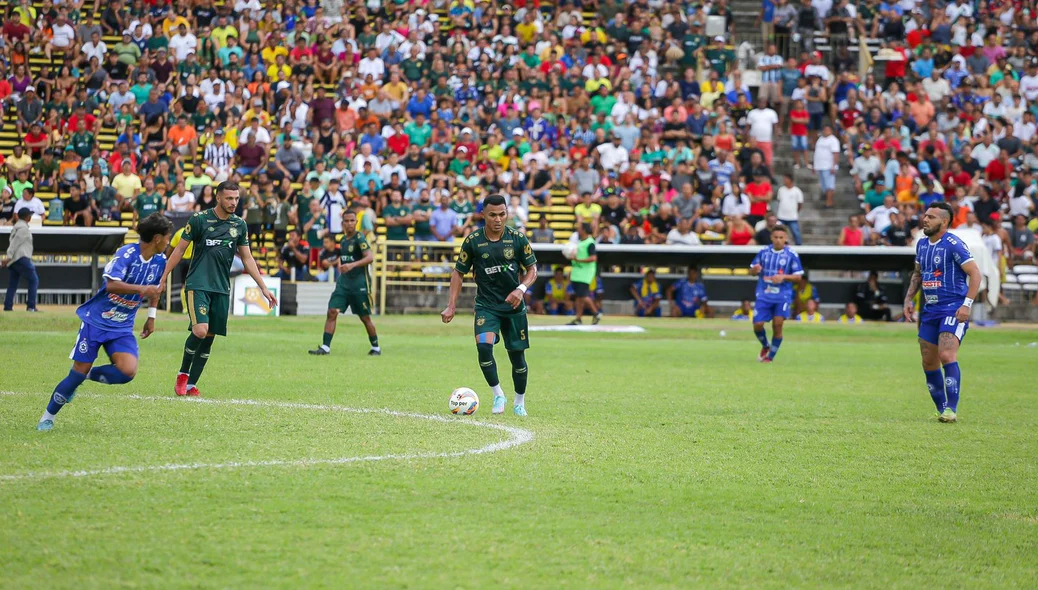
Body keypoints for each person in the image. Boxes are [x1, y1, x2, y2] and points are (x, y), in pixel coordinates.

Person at [36, 214, 173, 431]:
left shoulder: (160, 261)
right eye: (167, 237)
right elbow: (111, 285)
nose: (169, 241)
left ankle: (83, 377)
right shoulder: (126, 254)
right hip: (96, 322)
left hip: (121, 326)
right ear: (157, 238)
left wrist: (151, 316)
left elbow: (156, 289)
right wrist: (141, 290)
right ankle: (47, 417)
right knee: (77, 371)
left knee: (127, 371)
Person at [160, 181, 277, 397]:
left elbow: (247, 258)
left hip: (221, 288)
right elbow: (179, 250)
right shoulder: (199, 220)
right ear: (218, 197)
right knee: (200, 330)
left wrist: (263, 287)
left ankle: (191, 384)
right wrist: (163, 276)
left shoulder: (239, 225)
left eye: (236, 198)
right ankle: (182, 373)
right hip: (198, 284)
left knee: (210, 336)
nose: (233, 203)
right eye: (229, 198)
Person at [442, 194, 537, 417]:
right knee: (484, 347)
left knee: (517, 358)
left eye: (502, 214)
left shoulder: (517, 238)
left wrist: (520, 289)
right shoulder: (473, 241)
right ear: (483, 215)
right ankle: (498, 394)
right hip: (486, 305)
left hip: (514, 307)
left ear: (507, 214)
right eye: (492, 215)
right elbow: (458, 273)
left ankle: (519, 402)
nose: (497, 219)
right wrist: (451, 305)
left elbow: (532, 269)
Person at [903, 202, 982, 423]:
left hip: (953, 308)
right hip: (930, 310)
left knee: (946, 355)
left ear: (944, 222)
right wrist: (909, 299)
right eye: (925, 215)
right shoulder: (922, 244)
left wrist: (966, 304)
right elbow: (918, 274)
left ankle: (952, 409)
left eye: (931, 217)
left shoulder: (954, 244)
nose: (925, 219)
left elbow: (975, 274)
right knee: (928, 362)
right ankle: (942, 409)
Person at [309, 209, 381, 356]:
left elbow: (370, 257)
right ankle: (325, 347)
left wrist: (352, 265)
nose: (349, 224)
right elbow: (345, 258)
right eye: (346, 221)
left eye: (352, 221)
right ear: (342, 223)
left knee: (365, 317)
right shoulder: (342, 240)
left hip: (359, 284)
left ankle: (376, 347)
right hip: (344, 284)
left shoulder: (359, 238)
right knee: (332, 312)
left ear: (356, 222)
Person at [749, 225, 803, 363]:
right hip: (764, 294)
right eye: (776, 237)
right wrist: (754, 270)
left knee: (777, 324)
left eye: (781, 237)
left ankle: (770, 357)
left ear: (785, 238)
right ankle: (765, 346)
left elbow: (798, 277)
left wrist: (783, 277)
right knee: (758, 324)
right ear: (771, 237)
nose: (778, 240)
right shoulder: (763, 252)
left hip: (782, 295)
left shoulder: (791, 255)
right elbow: (751, 271)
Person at [2, 208, 39, 312]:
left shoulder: (17, 227)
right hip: (21, 258)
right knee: (34, 280)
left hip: (14, 260)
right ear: (27, 217)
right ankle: (31, 306)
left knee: (13, 283)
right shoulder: (23, 229)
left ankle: (8, 306)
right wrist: (8, 256)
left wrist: (9, 258)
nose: (31, 217)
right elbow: (14, 244)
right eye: (29, 215)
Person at [568, 222, 603, 325]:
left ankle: (596, 313)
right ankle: (578, 318)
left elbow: (593, 258)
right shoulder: (580, 242)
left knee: (582, 295)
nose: (578, 230)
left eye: (579, 228)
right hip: (577, 272)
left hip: (585, 273)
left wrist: (578, 260)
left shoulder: (590, 242)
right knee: (579, 296)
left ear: (584, 230)